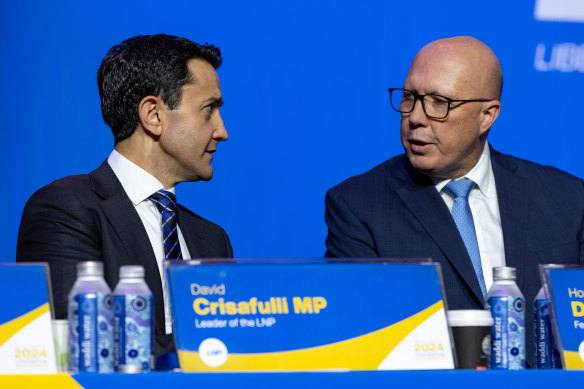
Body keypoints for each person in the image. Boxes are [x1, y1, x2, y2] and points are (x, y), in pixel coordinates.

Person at [324, 36, 584, 365]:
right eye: (409, 98)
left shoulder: (569, 201)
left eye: (438, 102)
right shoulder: (359, 206)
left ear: (486, 116)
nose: (416, 117)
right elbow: (362, 339)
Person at [16, 34, 232, 362]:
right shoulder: (64, 210)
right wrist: (213, 350)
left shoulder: (213, 240)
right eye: (208, 109)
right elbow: (78, 342)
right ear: (153, 115)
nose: (221, 130)